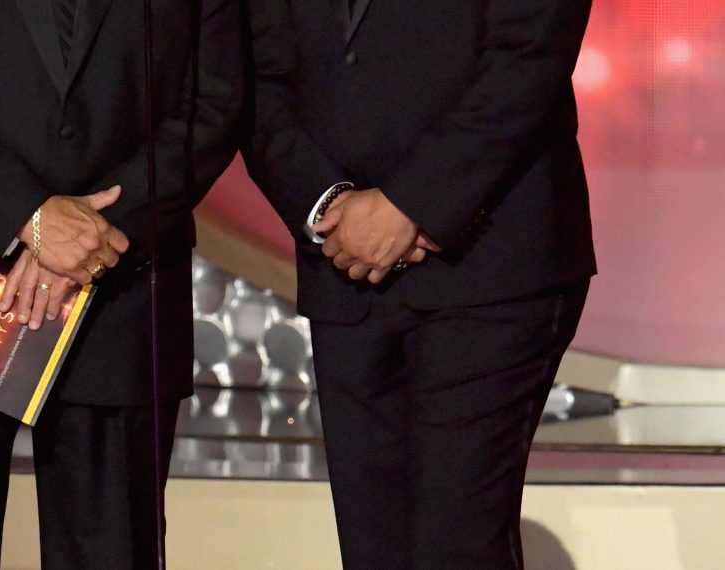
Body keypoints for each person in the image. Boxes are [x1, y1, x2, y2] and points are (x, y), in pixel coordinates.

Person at [0, 0, 242, 566]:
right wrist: (29, 216)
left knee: (110, 551)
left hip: (121, 291)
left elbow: (216, 102)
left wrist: (91, 235)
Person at [242, 1, 595, 568]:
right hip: (344, 267)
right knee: (373, 543)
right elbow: (249, 78)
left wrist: (415, 205)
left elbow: (530, 52)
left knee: (457, 542)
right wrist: (327, 203)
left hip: (492, 261)